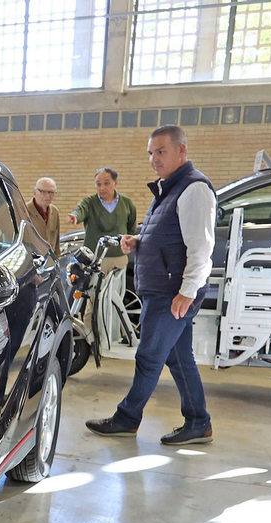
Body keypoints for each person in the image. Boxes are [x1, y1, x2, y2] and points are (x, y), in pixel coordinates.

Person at [85, 125, 215, 445]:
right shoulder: (168, 189)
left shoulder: (193, 189)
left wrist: (187, 291)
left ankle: (127, 418)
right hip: (166, 288)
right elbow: (169, 238)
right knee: (177, 357)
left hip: (172, 292)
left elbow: (201, 247)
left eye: (161, 152)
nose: (154, 159)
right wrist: (138, 241)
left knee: (149, 356)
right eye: (151, 153)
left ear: (181, 150)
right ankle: (198, 421)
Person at [67, 167, 137, 274]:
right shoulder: (89, 202)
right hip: (93, 259)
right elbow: (80, 210)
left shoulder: (127, 203)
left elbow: (132, 229)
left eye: (106, 183)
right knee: (92, 290)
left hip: (119, 257)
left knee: (117, 290)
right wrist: (75, 216)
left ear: (116, 183)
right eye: (98, 184)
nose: (102, 188)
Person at [28, 177, 60, 249]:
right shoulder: (24, 211)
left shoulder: (54, 211)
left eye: (51, 192)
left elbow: (56, 240)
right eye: (43, 192)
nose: (48, 196)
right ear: (35, 192)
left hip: (49, 258)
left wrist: (57, 258)